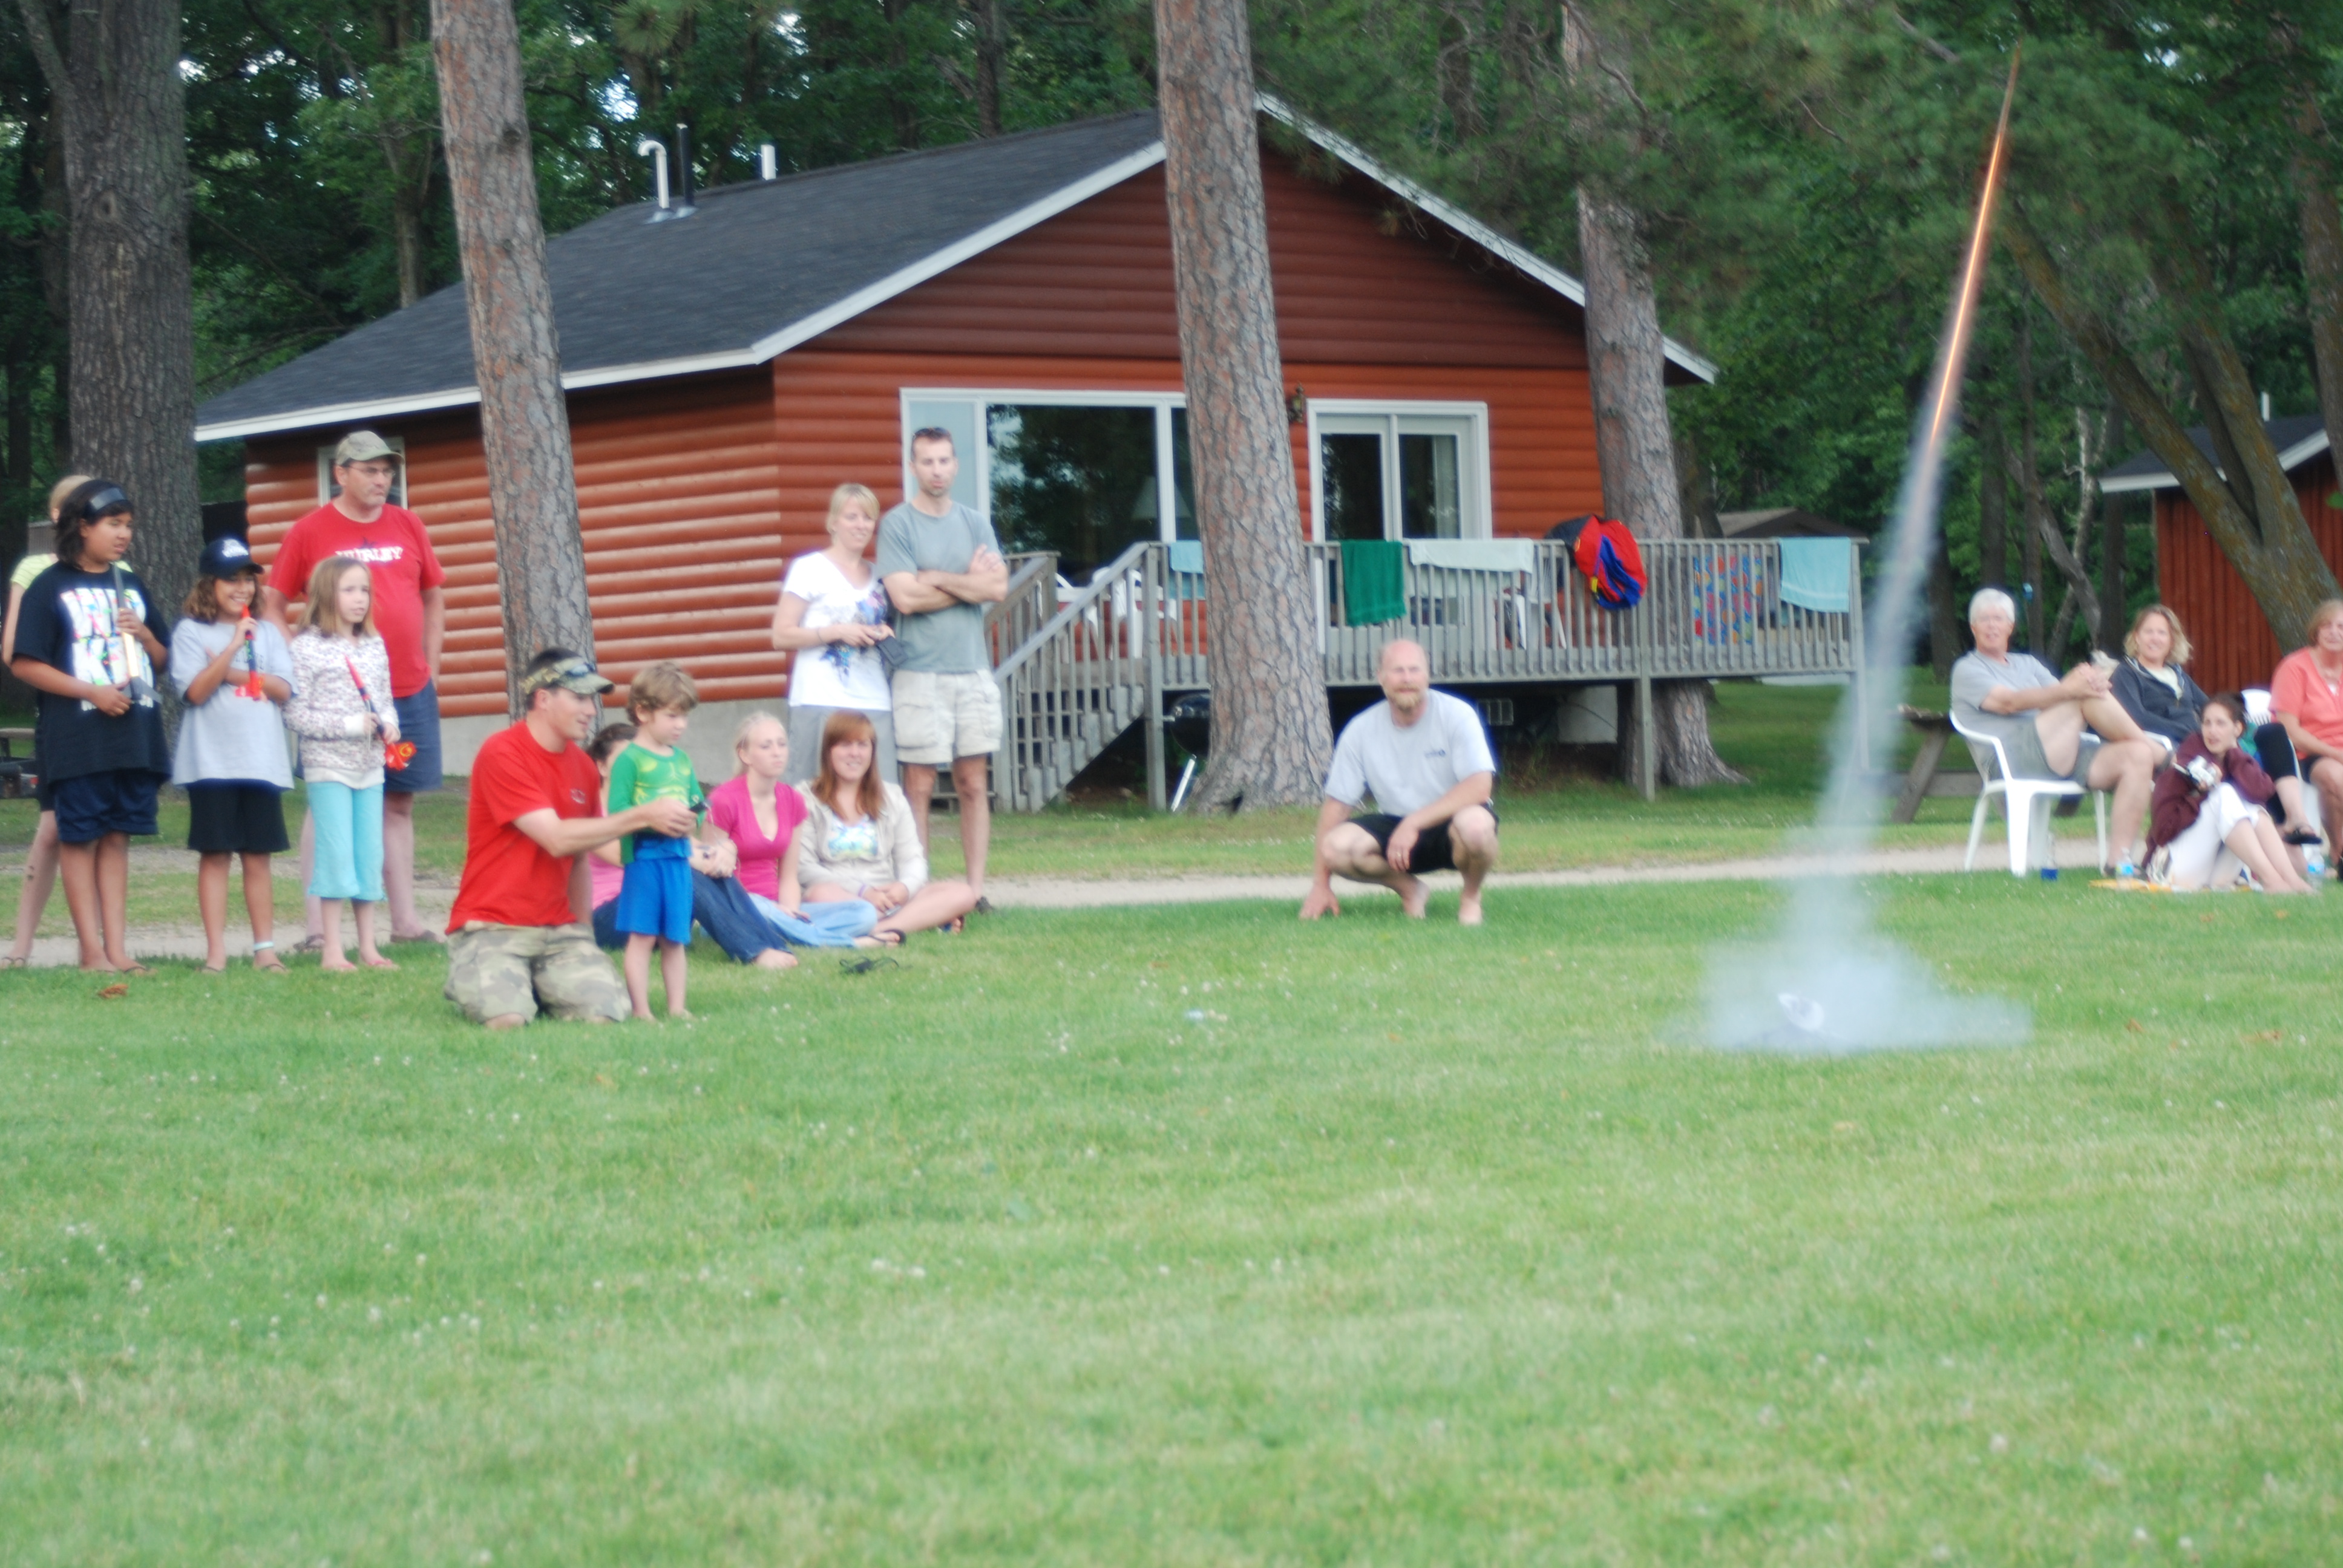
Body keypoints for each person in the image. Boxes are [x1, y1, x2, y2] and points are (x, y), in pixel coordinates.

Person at [443, 648, 696, 1029]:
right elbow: (558, 839)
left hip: (559, 932)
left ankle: (542, 984)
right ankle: (490, 979)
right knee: (507, 1019)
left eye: (592, 700)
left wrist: (585, 938)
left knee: (605, 1015)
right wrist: (643, 815)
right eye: (579, 698)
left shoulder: (582, 766)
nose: (592, 710)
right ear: (543, 699)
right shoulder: (502, 753)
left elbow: (578, 859)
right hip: (493, 928)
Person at [261, 430, 446, 946]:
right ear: (340, 473)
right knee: (331, 798)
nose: (382, 479)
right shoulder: (309, 531)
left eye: (388, 470)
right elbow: (272, 603)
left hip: (406, 688)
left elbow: (433, 596)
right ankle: (320, 930)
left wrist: (430, 664)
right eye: (369, 470)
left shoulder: (409, 523)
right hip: (335, 698)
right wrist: (302, 659)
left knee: (399, 801)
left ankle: (406, 923)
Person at [5, 480, 171, 972]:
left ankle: (118, 950)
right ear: (83, 526)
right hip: (79, 736)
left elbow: (162, 658)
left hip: (134, 733)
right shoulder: (49, 586)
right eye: (114, 524)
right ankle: (91, 952)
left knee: (118, 836)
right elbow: (23, 661)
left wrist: (143, 633)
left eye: (129, 526)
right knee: (80, 837)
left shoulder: (131, 583)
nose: (124, 535)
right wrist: (91, 692)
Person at [878, 428, 1007, 909]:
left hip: (971, 669)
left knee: (974, 783)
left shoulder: (975, 523)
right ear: (913, 467)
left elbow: (996, 588)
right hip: (919, 672)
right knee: (920, 785)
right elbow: (904, 598)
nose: (937, 470)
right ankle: (920, 889)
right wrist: (966, 583)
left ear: (956, 466)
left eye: (944, 461)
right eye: (927, 462)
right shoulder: (898, 526)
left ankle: (974, 892)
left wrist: (938, 578)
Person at [1950, 587, 2160, 874]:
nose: (1991, 625)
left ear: (2010, 627)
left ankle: (2119, 862)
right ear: (1973, 627)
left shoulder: (2028, 664)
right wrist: (2077, 686)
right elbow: (2008, 703)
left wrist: (2089, 679)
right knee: (2083, 694)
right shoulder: (1967, 669)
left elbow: (2061, 697)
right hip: (2011, 758)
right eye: (1984, 619)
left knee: (2137, 755)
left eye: (1998, 619)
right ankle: (2161, 753)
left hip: (2056, 749)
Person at [1300, 638, 1499, 925]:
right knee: (1335, 847)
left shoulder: (1457, 715)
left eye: (1415, 670)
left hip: (1453, 823)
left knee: (1477, 828)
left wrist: (1414, 822)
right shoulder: (1361, 730)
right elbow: (1337, 806)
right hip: (1396, 833)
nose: (1407, 679)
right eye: (1397, 671)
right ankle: (1411, 890)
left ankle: (1470, 897)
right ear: (1380, 677)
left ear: (1427, 675)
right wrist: (1321, 884)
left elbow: (1480, 786)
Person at [169, 535, 297, 972]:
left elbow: (282, 689)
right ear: (210, 585)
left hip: (261, 758)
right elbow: (195, 691)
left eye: (248, 580)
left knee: (257, 855)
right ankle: (216, 952)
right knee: (216, 853)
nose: (241, 589)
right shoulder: (190, 632)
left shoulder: (268, 632)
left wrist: (230, 670)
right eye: (231, 581)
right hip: (211, 762)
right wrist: (228, 648)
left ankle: (265, 949)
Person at [585, 722, 804, 972]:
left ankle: (772, 944)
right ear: (601, 766)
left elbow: (694, 846)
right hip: (611, 916)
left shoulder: (649, 805)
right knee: (685, 871)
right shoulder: (591, 814)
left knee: (708, 866)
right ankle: (753, 951)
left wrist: (722, 851)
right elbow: (625, 855)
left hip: (653, 911)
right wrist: (690, 859)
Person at [282, 557, 399, 972]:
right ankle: (332, 949)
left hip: (371, 767)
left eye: (365, 590)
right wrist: (349, 725)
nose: (359, 599)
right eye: (350, 590)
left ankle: (368, 946)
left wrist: (390, 724)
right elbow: (295, 715)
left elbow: (384, 696)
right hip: (328, 766)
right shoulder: (307, 646)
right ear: (327, 594)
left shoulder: (374, 644)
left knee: (369, 853)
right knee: (336, 854)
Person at [787, 710, 977, 944]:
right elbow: (804, 867)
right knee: (819, 894)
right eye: (845, 745)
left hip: (888, 897)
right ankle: (917, 920)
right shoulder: (804, 798)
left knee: (963, 893)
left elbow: (913, 860)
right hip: (840, 895)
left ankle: (881, 928)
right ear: (829, 751)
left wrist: (904, 888)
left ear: (872, 751)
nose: (855, 753)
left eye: (862, 745)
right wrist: (863, 892)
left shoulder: (893, 797)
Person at [4, 474, 94, 967]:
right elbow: (15, 645)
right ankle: (21, 945)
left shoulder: (115, 566)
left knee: (101, 831)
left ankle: (96, 947)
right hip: (62, 715)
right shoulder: (36, 568)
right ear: (61, 516)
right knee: (53, 829)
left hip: (110, 715)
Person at [704, 711, 873, 947]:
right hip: (736, 905)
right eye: (766, 746)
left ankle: (788, 930)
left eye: (782, 744)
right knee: (759, 909)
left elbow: (789, 876)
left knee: (865, 913)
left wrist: (789, 911)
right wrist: (769, 909)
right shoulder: (723, 800)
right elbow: (712, 877)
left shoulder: (793, 800)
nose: (777, 752)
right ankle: (850, 943)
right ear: (745, 755)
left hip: (779, 908)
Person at [772, 482, 898, 784]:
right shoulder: (809, 568)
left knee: (880, 795)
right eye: (852, 517)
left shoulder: (882, 576)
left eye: (868, 518)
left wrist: (883, 632)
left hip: (873, 699)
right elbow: (781, 635)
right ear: (833, 523)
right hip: (819, 698)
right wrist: (836, 632)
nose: (861, 525)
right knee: (813, 794)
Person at [604, 661, 707, 1020]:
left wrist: (693, 818)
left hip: (679, 860)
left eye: (685, 717)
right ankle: (642, 1010)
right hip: (645, 861)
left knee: (675, 938)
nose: (681, 725)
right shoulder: (629, 760)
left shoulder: (682, 760)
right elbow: (619, 812)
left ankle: (678, 1007)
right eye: (673, 716)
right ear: (643, 712)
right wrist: (654, 821)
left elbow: (698, 801)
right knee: (643, 936)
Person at [2145, 692, 2314, 893]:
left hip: (2213, 874)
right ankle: (2271, 881)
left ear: (2237, 729)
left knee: (2252, 806)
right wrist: (2201, 796)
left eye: (2220, 724)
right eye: (2207, 723)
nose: (2212, 731)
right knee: (2224, 792)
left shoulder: (2236, 758)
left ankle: (2291, 880)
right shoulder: (2187, 761)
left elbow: (2261, 792)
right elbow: (2163, 832)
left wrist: (2234, 753)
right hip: (2169, 868)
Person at [2266, 598, 2343, 872]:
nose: (2335, 632)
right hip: (2310, 753)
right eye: (2327, 626)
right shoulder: (2295, 667)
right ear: (2316, 631)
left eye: (2341, 627)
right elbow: (2289, 729)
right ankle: (2338, 853)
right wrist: (2336, 753)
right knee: (2336, 777)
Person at [2107, 604, 2209, 753]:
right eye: (2149, 632)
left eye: (2162, 633)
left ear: (2172, 641)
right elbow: (2137, 719)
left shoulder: (2178, 674)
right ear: (2137, 637)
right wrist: (2190, 734)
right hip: (2162, 748)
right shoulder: (2127, 673)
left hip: (2201, 743)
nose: (2155, 639)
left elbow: (2209, 706)